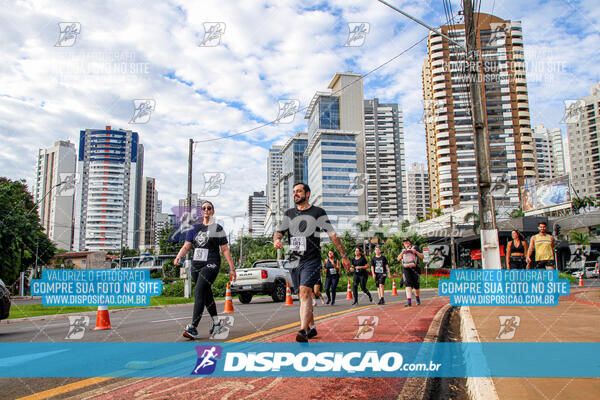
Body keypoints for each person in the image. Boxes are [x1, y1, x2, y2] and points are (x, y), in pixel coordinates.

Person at [274, 183, 351, 342]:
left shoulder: (318, 212)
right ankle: (312, 327)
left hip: (312, 259)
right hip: (294, 260)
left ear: (307, 194)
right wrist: (277, 240)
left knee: (304, 292)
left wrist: (343, 255)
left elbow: (332, 234)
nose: (295, 194)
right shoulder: (289, 214)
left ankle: (303, 331)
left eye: (299, 191)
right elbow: (279, 232)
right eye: (294, 191)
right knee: (302, 296)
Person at [174, 201, 237, 339]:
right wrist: (179, 256)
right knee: (206, 294)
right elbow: (187, 246)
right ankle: (217, 323)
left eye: (209, 208)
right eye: (203, 208)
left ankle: (193, 327)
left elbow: (225, 250)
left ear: (213, 211)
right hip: (196, 266)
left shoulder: (218, 228)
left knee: (199, 292)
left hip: (211, 264)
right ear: (201, 211)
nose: (206, 210)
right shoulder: (194, 228)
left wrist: (232, 269)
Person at [398, 238, 424, 307]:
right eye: (404, 242)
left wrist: (416, 252)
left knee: (416, 286)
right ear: (403, 244)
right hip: (406, 269)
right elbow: (398, 259)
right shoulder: (402, 250)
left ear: (410, 242)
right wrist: (402, 253)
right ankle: (409, 301)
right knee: (408, 285)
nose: (406, 243)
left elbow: (422, 257)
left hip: (415, 268)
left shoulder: (415, 248)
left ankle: (417, 298)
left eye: (407, 241)